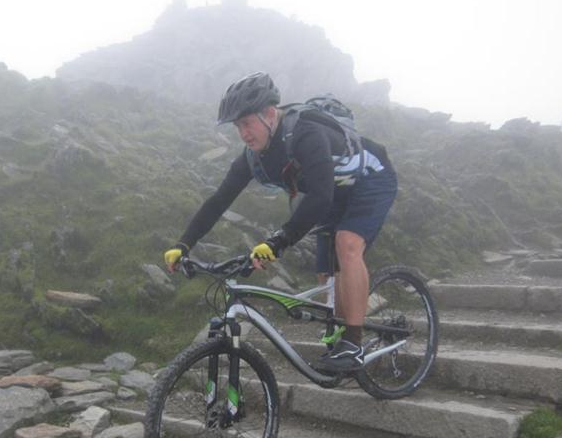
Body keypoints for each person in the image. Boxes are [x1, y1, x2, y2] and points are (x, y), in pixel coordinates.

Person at [164, 72, 397, 372]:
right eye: (238, 126)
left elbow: (320, 198)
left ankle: (353, 343)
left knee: (347, 244)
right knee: (326, 270)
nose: (243, 133)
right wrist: (184, 244)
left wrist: (279, 241)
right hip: (333, 189)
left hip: (371, 178)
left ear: (270, 114)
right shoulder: (253, 157)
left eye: (247, 123)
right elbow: (219, 201)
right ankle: (338, 330)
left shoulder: (306, 133)